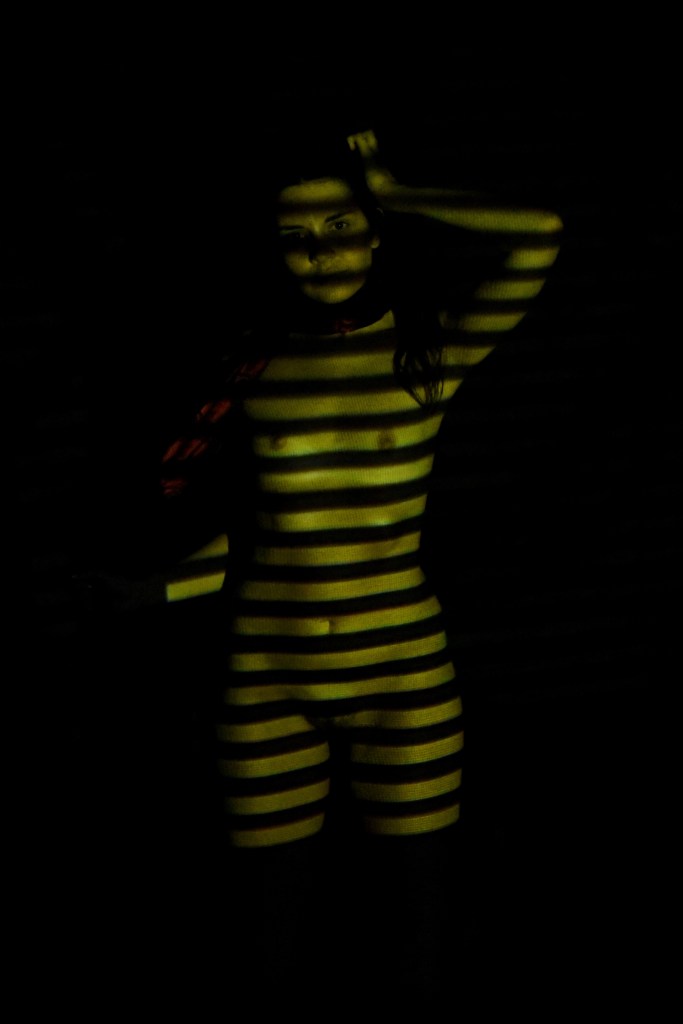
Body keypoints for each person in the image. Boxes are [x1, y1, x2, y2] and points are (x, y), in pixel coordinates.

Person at [101, 126, 562, 1005]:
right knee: (267, 929)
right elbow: (270, 532)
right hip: (266, 674)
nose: (320, 254)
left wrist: (396, 188)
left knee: (417, 921)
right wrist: (159, 587)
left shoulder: (428, 355)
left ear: (377, 232)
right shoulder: (251, 362)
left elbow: (540, 232)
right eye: (295, 237)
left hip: (403, 673)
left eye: (342, 227)